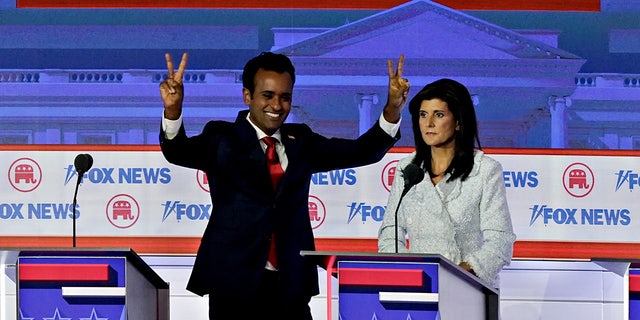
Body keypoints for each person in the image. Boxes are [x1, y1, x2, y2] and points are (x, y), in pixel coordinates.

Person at [159, 51, 410, 319]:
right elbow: (178, 151)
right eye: (268, 95)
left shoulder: (301, 141)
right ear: (248, 96)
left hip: (291, 284)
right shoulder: (222, 138)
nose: (277, 105)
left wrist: (392, 109)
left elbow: (362, 152)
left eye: (285, 97)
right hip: (233, 283)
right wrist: (173, 110)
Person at [377, 78, 516, 287]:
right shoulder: (407, 168)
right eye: (423, 115)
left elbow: (500, 242)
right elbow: (390, 231)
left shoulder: (485, 170)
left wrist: (456, 277)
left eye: (438, 115)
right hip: (417, 290)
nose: (428, 123)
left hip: (467, 289)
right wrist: (402, 273)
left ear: (458, 121)